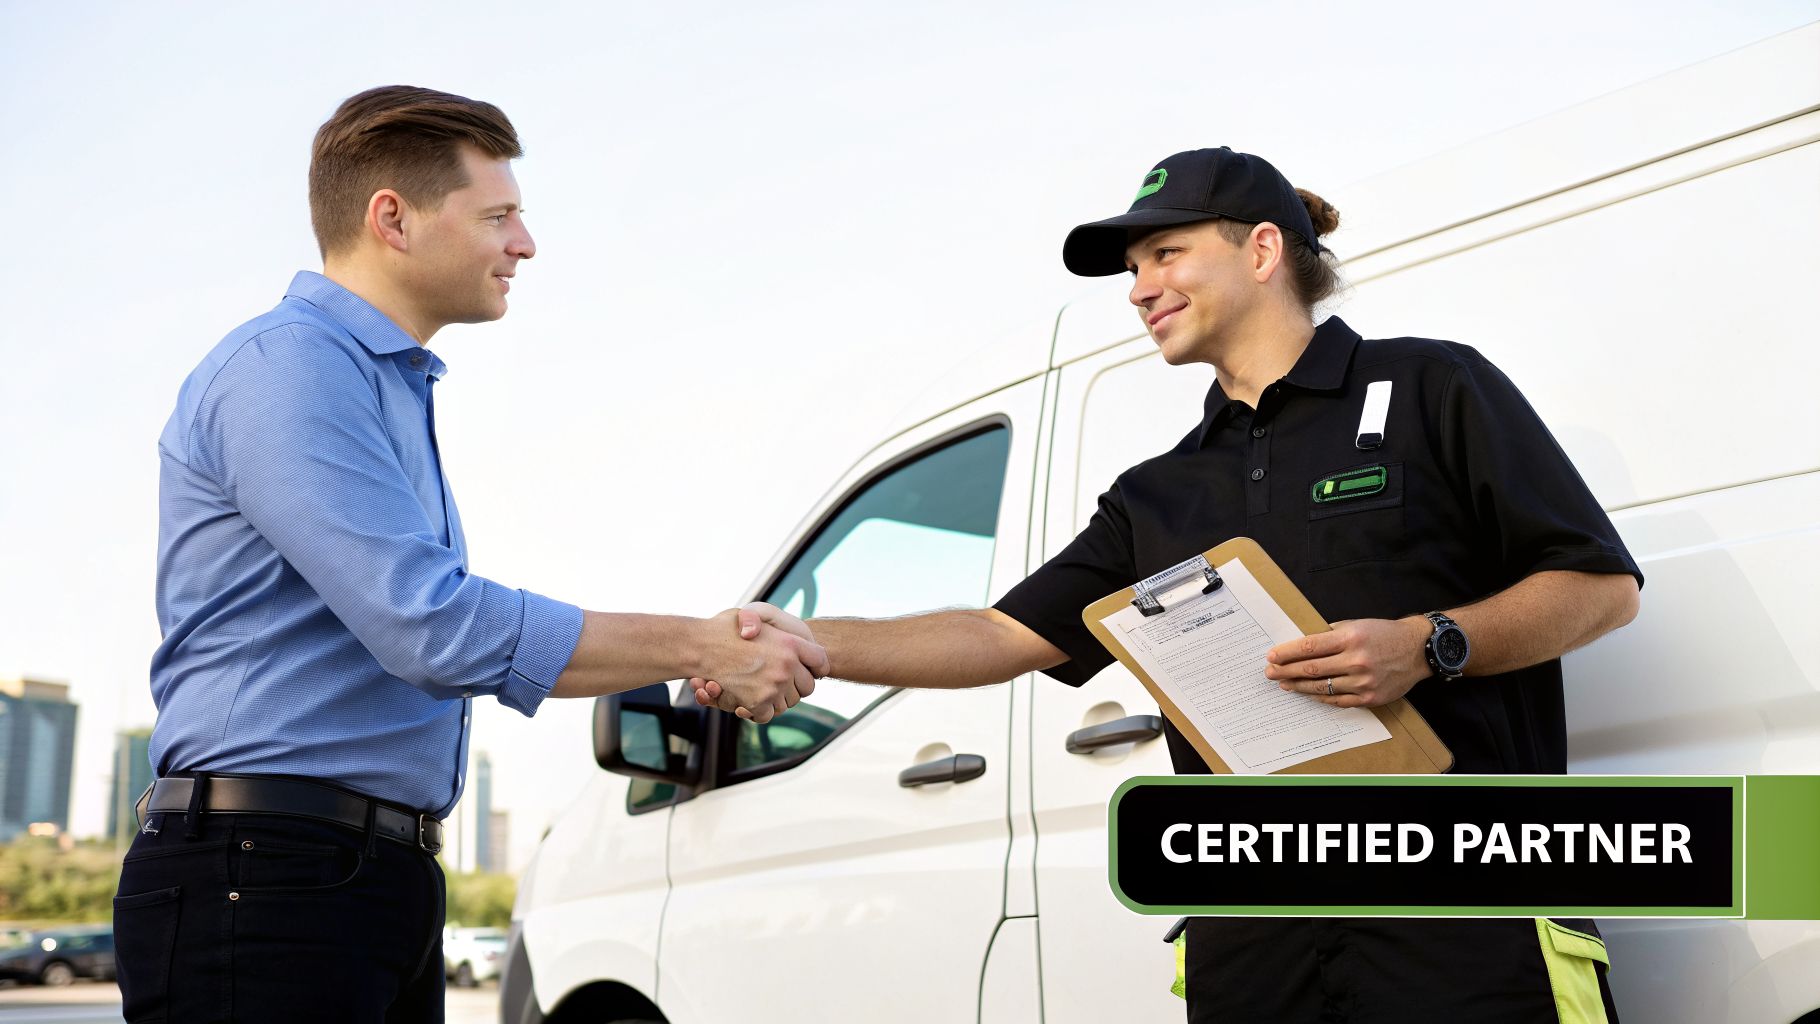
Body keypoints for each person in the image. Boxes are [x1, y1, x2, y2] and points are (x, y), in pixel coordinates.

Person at [692, 146, 1641, 1020]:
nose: (1141, 288)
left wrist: (1429, 644)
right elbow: (997, 633)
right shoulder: (1158, 493)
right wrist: (801, 639)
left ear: (1262, 249)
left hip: (1460, 924)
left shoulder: (1433, 389)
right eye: (1133, 269)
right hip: (1250, 936)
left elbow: (1600, 588)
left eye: (1165, 255)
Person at [114, 85, 827, 1024]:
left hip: (358, 877)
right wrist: (700, 647)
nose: (523, 244)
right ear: (392, 219)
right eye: (499, 215)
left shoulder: (383, 384)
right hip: (266, 878)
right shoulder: (290, 366)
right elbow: (434, 625)